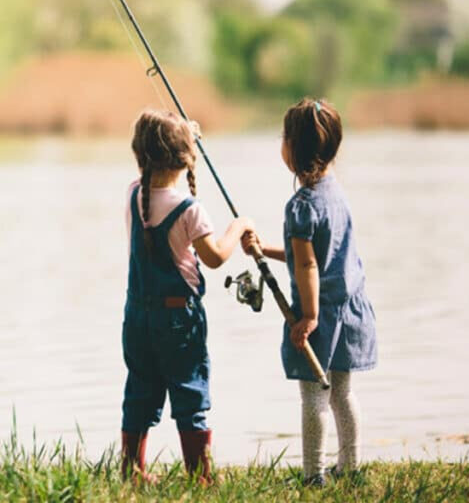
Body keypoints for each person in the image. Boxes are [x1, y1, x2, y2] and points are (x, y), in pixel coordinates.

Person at [242, 98, 377, 486]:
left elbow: (307, 265)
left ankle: (313, 475)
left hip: (322, 317)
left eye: (283, 137)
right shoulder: (337, 194)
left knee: (315, 398)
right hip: (351, 310)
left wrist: (309, 318)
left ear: (292, 151)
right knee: (343, 395)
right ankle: (350, 467)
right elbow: (312, 255)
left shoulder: (300, 207)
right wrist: (263, 249)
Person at [121, 109, 254, 485]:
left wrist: (183, 138)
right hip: (179, 322)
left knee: (140, 391)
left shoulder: (134, 194)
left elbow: (156, 167)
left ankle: (131, 471)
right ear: (184, 159)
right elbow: (215, 258)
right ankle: (200, 476)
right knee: (190, 392)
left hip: (137, 318)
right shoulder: (189, 210)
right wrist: (239, 227)